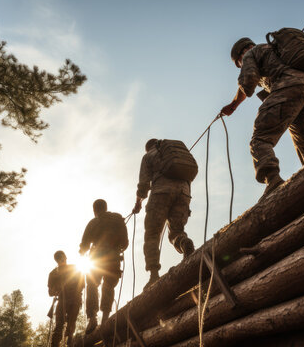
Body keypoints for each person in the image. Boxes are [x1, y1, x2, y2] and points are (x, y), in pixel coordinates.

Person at [220, 36, 304, 200]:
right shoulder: (277, 49)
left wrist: (236, 99)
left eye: (239, 64)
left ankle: (272, 180)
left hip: (291, 85)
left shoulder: (252, 53)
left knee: (260, 139)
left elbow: (248, 82)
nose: (241, 65)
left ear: (242, 54)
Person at [132, 138, 195, 290]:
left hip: (161, 192)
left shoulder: (148, 156)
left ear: (147, 148)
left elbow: (143, 185)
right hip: (184, 193)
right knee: (176, 232)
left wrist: (138, 203)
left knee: (152, 233)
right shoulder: (174, 154)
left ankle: (154, 275)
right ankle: (184, 243)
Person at [79, 199, 128, 333]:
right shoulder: (118, 219)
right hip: (114, 258)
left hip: (96, 258)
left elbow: (84, 245)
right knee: (108, 285)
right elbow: (125, 243)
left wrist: (82, 251)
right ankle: (105, 317)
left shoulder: (93, 222)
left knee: (92, 284)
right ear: (106, 208)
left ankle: (92, 318)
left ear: (95, 210)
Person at [47, 251, 84, 347]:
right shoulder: (53, 274)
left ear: (65, 257)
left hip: (75, 299)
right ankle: (55, 344)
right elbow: (50, 293)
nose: (62, 260)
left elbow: (82, 284)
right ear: (56, 260)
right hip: (62, 299)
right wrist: (57, 288)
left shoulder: (74, 268)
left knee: (71, 324)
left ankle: (70, 341)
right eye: (59, 258)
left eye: (62, 257)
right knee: (59, 325)